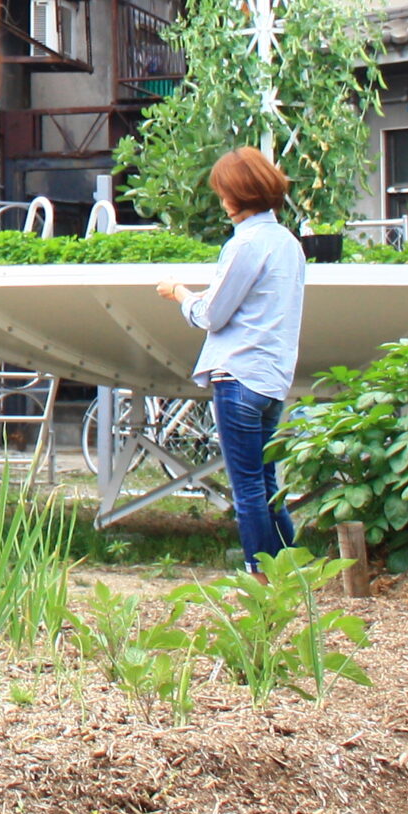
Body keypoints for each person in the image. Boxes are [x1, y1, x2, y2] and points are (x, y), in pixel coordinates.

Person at [156, 146, 308, 571]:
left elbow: (212, 315)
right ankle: (291, 571)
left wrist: (180, 293)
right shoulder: (289, 245)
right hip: (273, 379)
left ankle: (260, 576)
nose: (222, 200)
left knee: (248, 493)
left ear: (236, 195)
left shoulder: (244, 244)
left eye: (224, 191)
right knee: (267, 484)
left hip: (237, 376)